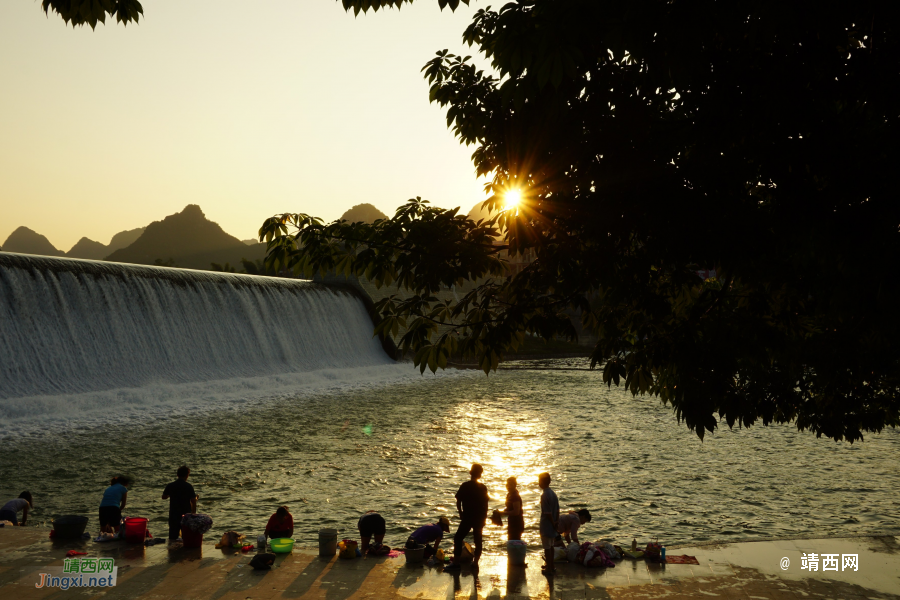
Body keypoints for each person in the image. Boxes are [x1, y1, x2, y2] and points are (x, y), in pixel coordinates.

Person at [444, 464, 489, 570]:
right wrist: (485, 517)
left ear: (470, 473)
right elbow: (486, 505)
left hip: (468, 517)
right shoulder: (483, 487)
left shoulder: (465, 486)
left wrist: (460, 512)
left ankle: (456, 563)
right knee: (478, 540)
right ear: (480, 474)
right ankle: (475, 563)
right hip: (479, 518)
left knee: (458, 538)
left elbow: (458, 501)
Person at [161, 465, 198, 542]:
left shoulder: (171, 485)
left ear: (177, 475)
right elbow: (193, 501)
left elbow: (164, 497)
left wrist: (170, 494)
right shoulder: (188, 486)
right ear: (187, 475)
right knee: (186, 536)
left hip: (173, 514)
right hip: (185, 515)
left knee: (172, 537)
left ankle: (171, 552)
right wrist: (196, 498)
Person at [538, 472, 559, 575]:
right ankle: (552, 565)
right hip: (553, 525)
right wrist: (556, 522)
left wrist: (552, 523)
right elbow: (557, 510)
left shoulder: (544, 495)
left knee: (547, 547)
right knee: (551, 546)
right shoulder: (553, 494)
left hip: (547, 525)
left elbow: (547, 513)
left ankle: (549, 567)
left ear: (542, 482)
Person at [495, 477, 524, 541]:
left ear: (515, 485)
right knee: (511, 540)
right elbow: (509, 509)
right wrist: (500, 513)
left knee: (514, 541)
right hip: (511, 522)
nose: (509, 487)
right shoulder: (509, 495)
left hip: (517, 523)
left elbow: (516, 512)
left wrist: (503, 513)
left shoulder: (515, 496)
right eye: (507, 485)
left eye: (511, 485)